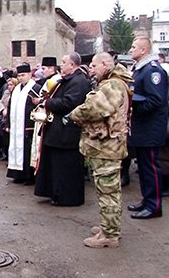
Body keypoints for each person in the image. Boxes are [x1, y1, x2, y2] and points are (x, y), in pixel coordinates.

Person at [70, 52, 132, 248]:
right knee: (108, 190)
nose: (91, 70)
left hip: (107, 147)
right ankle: (108, 226)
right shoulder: (112, 82)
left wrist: (74, 114)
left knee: (108, 191)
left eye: (94, 66)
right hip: (105, 146)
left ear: (105, 64)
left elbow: (94, 108)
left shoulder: (112, 85)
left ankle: (110, 234)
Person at [33, 52, 91, 206]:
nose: (61, 65)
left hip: (67, 132)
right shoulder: (67, 80)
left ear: (72, 65)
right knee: (57, 166)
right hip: (58, 132)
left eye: (64, 62)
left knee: (66, 168)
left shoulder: (79, 81)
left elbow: (69, 103)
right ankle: (56, 193)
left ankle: (67, 197)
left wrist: (47, 103)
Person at [126, 36, 168, 219]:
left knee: (150, 167)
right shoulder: (140, 70)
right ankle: (147, 200)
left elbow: (155, 99)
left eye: (134, 47)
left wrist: (134, 109)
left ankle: (154, 206)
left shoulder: (153, 71)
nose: (130, 49)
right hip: (142, 128)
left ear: (144, 50)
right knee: (143, 168)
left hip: (150, 128)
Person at [7, 63, 39, 184]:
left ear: (29, 75)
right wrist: (8, 125)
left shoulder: (35, 88)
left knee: (28, 151)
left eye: (23, 75)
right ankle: (17, 174)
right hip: (16, 127)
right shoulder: (16, 89)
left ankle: (29, 176)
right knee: (15, 148)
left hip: (28, 125)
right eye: (19, 75)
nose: (21, 78)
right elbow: (10, 107)